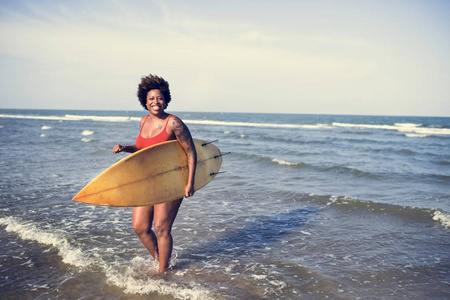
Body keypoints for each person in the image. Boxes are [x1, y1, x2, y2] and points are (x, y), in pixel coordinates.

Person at [112, 74, 197, 273]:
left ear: (165, 99)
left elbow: (191, 151)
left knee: (161, 228)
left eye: (159, 98)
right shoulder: (143, 121)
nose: (155, 102)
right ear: (145, 102)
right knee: (140, 227)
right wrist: (126, 148)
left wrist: (190, 183)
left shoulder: (174, 123)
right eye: (151, 99)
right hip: (147, 180)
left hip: (171, 180)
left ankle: (162, 273)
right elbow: (144, 148)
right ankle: (162, 262)